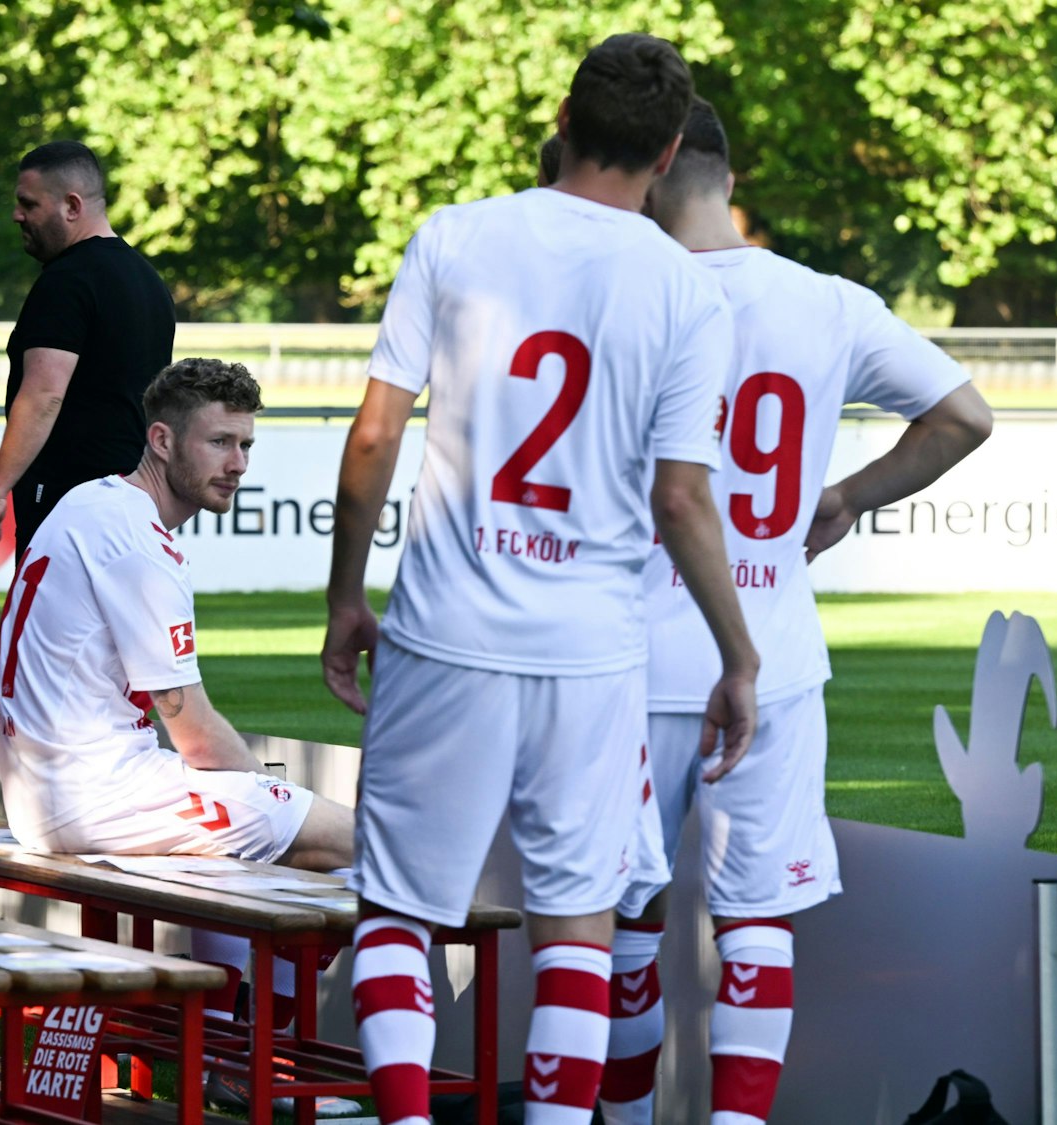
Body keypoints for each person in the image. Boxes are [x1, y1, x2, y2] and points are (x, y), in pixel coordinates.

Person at [322, 35, 761, 1125]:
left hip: (442, 630)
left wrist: (343, 596)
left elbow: (375, 437)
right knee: (577, 925)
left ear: (562, 115)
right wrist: (738, 657)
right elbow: (680, 500)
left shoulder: (457, 235)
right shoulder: (685, 290)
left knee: (396, 912)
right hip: (589, 652)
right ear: (667, 152)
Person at [597, 98, 993, 1125]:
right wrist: (850, 494)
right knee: (756, 920)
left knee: (622, 920)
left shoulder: (616, 290)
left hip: (629, 656)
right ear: (727, 175)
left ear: (651, 168)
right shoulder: (825, 301)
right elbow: (962, 416)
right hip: (771, 652)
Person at [0, 358, 358, 1116]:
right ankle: (259, 1056)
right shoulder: (137, 541)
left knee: (236, 847)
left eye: (247, 445)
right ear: (160, 439)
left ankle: (229, 1047)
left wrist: (252, 804)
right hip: (90, 792)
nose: (238, 464)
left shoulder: (91, 502)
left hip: (54, 784)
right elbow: (189, 723)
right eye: (220, 442)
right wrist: (263, 796)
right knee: (352, 842)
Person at [0, 140, 176, 562]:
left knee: (53, 623)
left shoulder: (66, 281)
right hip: (137, 497)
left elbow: (44, 395)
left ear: (71, 205)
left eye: (29, 204)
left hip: (70, 500)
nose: (17, 215)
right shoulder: (149, 281)